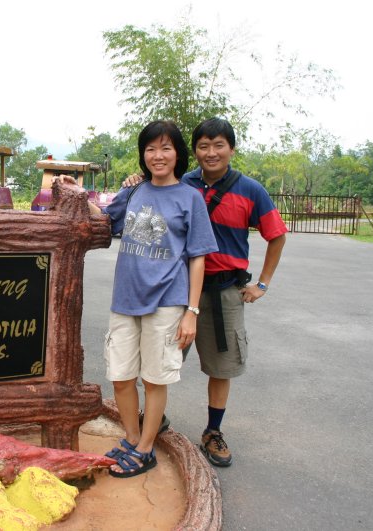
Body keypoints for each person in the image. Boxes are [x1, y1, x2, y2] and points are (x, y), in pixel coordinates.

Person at [123, 117, 287, 467]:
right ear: (193, 151)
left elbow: (277, 234)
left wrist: (262, 284)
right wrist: (135, 182)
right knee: (159, 363)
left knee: (220, 367)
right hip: (176, 288)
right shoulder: (182, 184)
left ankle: (213, 431)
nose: (211, 153)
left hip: (226, 289)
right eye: (203, 145)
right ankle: (154, 420)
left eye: (218, 145)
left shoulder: (250, 189)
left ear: (231, 148)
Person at [71, 120, 218, 478]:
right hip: (125, 298)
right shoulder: (134, 192)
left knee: (154, 379)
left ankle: (146, 448)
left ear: (178, 154)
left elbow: (198, 257)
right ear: (143, 155)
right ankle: (133, 440)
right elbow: (104, 220)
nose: (158, 155)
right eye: (151, 149)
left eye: (166, 148)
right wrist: (76, 194)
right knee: (121, 377)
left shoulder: (190, 198)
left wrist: (192, 311)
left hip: (167, 301)